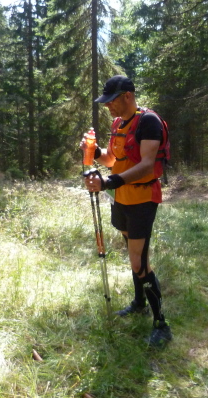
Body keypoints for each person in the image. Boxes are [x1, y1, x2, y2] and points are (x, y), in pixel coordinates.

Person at [81, 75, 172, 348]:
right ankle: (139, 303)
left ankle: (161, 324)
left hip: (142, 198)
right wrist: (95, 151)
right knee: (134, 257)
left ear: (128, 96)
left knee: (139, 262)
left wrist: (108, 182)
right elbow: (113, 160)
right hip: (121, 197)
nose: (108, 106)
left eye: (112, 101)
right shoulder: (118, 124)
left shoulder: (149, 121)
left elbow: (146, 165)